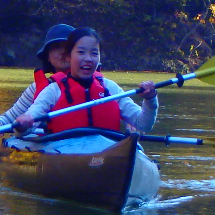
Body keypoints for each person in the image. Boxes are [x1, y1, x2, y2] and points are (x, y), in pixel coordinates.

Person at [10, 27, 158, 135]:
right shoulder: (53, 90)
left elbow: (143, 124)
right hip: (65, 154)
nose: (88, 59)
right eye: (81, 52)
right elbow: (28, 122)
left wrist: (150, 100)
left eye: (94, 53)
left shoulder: (110, 89)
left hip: (107, 153)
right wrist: (23, 124)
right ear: (68, 56)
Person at [0, 23, 75, 132]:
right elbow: (10, 117)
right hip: (48, 143)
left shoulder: (93, 83)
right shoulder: (37, 88)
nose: (62, 51)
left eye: (68, 47)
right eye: (56, 47)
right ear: (48, 57)